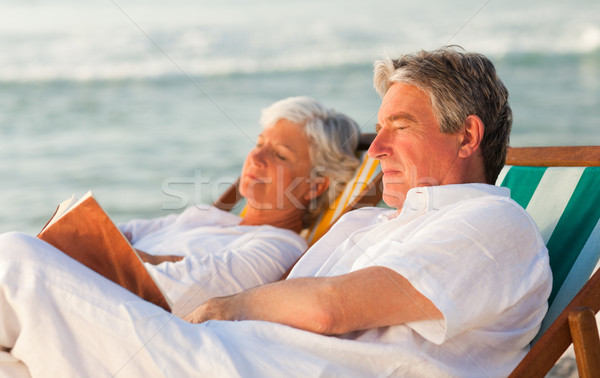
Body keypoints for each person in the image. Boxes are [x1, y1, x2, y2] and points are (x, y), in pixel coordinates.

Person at [0, 47, 551, 378]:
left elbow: (328, 310)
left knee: (14, 260)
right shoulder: (371, 224)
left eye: (399, 127)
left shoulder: (491, 226)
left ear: (467, 136)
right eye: (377, 129)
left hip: (254, 368)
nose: (376, 148)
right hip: (229, 359)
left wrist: (226, 308)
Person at [112, 96, 361, 315]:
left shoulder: (278, 249)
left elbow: (169, 293)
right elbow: (107, 230)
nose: (255, 157)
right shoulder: (207, 217)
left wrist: (122, 253)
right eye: (259, 144)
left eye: (280, 155)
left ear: (315, 186)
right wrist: (144, 257)